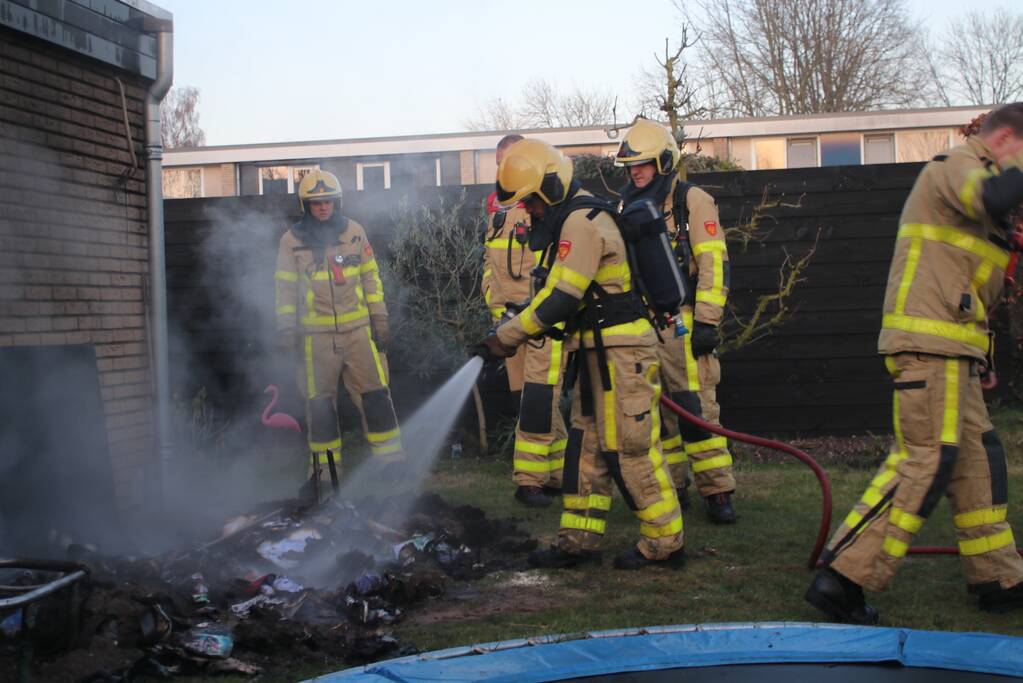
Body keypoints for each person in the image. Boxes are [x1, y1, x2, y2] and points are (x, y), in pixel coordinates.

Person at [806, 103, 1023, 623]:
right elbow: (992, 196)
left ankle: (998, 577)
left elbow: (969, 281)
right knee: (928, 459)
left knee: (978, 461)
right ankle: (842, 578)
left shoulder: (988, 186)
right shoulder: (956, 166)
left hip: (957, 348)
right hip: (930, 343)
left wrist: (984, 354)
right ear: (1005, 139)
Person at [477, 139, 684, 569]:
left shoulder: (582, 221)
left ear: (550, 187)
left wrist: (506, 338)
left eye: (531, 201)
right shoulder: (572, 217)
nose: (529, 211)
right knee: (585, 449)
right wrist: (509, 328)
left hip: (621, 355)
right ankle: (578, 541)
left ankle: (665, 543)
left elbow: (561, 299)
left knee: (631, 449)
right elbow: (554, 293)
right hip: (596, 353)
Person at [616, 119, 737, 523]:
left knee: (696, 409)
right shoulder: (626, 208)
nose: (635, 173)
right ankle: (674, 488)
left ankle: (717, 492)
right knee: (660, 417)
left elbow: (714, 263)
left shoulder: (691, 200)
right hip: (644, 325)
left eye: (643, 164)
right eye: (630, 166)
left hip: (683, 323)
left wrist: (707, 322)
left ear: (664, 162)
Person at [274, 170, 403, 492]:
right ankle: (324, 476)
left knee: (376, 397)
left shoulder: (355, 233)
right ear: (305, 205)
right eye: (316, 202)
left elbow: (371, 279)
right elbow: (285, 289)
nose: (323, 207)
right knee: (319, 407)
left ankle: (391, 465)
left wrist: (380, 317)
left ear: (337, 202)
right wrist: (286, 329)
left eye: (328, 201)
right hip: (315, 339)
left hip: (358, 333)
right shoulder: (291, 242)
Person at [483, 134, 570, 508]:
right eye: (499, 165)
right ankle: (561, 474)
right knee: (530, 401)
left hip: (542, 321)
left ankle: (530, 482)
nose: (503, 171)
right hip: (509, 325)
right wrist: (495, 309)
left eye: (509, 162)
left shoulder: (547, 204)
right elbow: (490, 265)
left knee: (539, 398)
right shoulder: (496, 208)